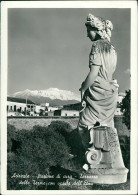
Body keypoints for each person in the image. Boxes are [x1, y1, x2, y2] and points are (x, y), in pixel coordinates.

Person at [78, 14, 119, 150]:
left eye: (88, 30)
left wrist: (83, 88)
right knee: (105, 126)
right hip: (110, 92)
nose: (87, 35)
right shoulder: (111, 48)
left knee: (84, 125)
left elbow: (94, 74)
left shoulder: (97, 46)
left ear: (96, 30)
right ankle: (104, 156)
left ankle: (93, 156)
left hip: (98, 93)